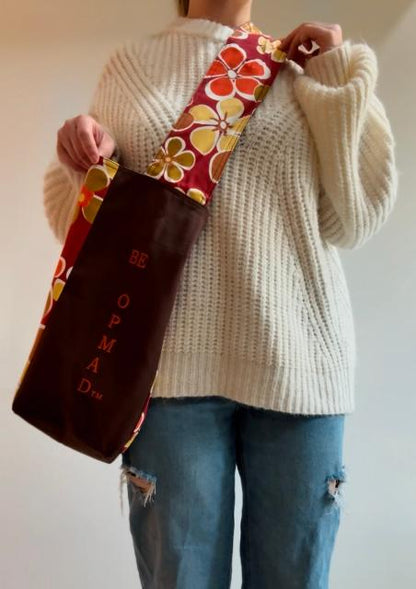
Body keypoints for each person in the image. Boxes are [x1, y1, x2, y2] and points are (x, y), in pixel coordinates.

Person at [43, 0, 399, 587]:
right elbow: (78, 230)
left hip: (300, 368)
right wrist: (82, 167)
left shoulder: (300, 68)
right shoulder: (132, 67)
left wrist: (336, 75)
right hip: (170, 374)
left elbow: (355, 218)